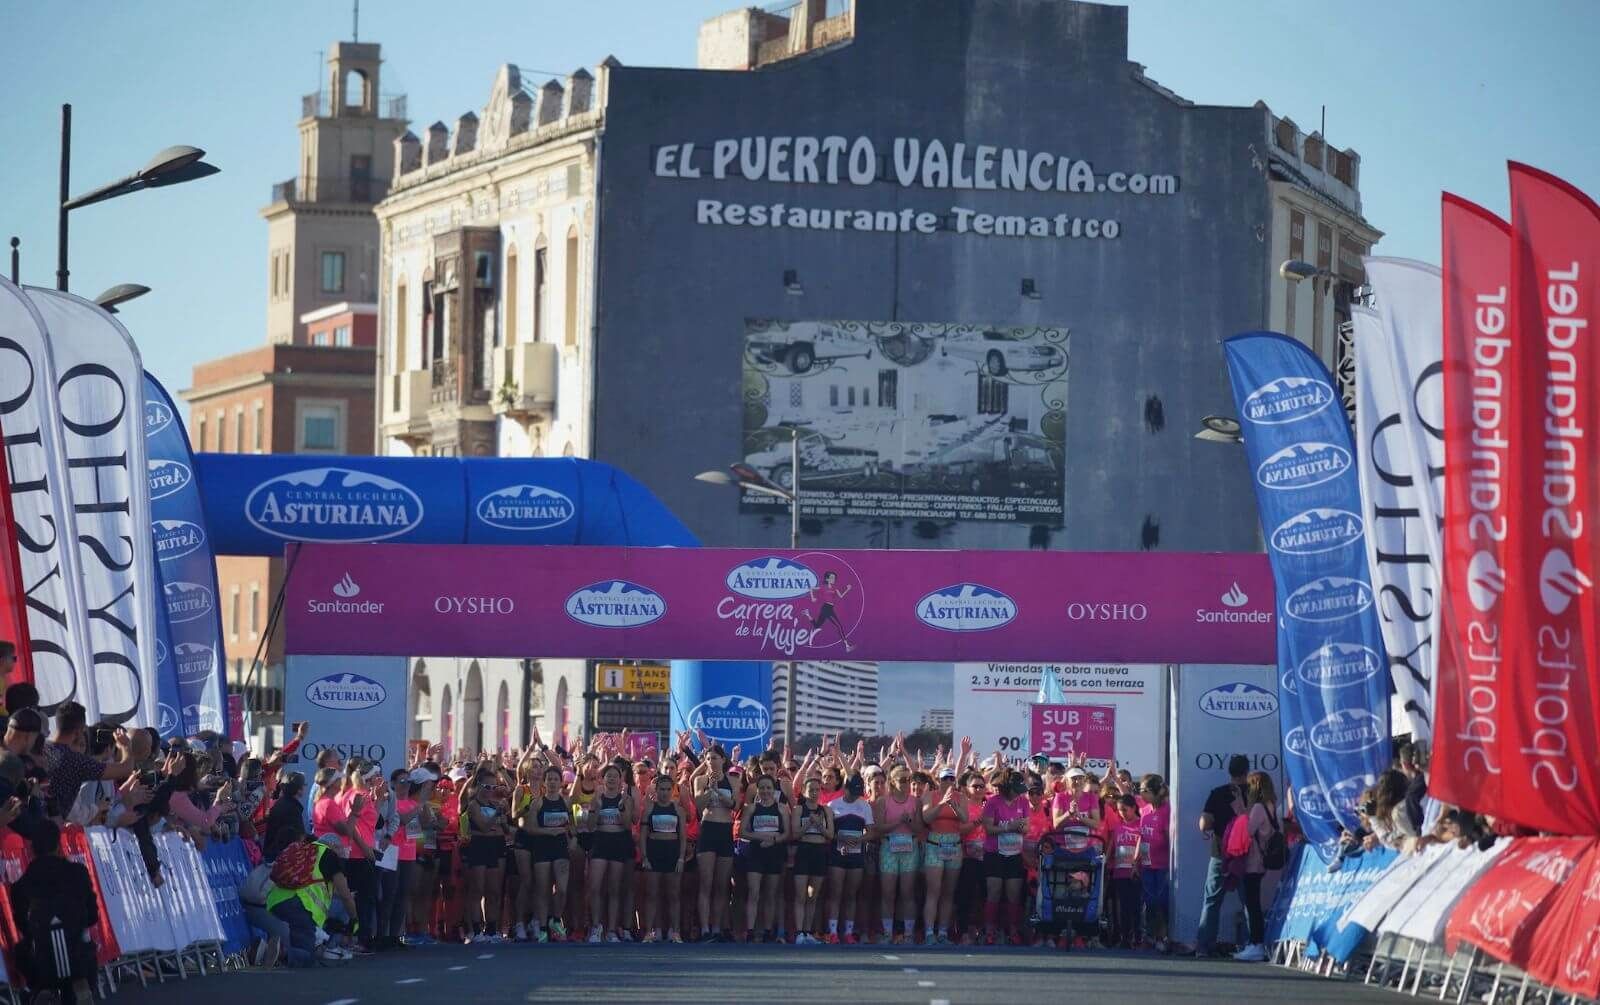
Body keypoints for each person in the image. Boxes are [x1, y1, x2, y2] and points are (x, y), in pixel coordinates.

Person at [9, 819, 97, 1003]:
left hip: (42, 962)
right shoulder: (79, 873)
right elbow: (92, 916)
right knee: (85, 941)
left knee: (21, 950)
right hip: (79, 957)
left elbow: (23, 926)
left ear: (31, 849)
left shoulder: (20, 886)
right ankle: (81, 985)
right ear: (58, 845)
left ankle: (40, 990)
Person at [266, 826, 360, 967]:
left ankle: (280, 951)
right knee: (305, 955)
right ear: (333, 846)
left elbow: (317, 883)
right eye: (340, 849)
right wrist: (354, 920)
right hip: (299, 904)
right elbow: (345, 895)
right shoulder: (328, 855)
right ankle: (283, 954)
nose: (342, 854)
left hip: (275, 901)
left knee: (300, 941)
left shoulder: (306, 850)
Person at [1192, 754, 1249, 957]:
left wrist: (1211, 824)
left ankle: (1204, 946)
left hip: (1220, 854)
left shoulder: (1218, 793)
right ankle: (1250, 945)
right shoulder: (1253, 792)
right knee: (1248, 901)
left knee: (1212, 901)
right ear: (1246, 771)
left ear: (1229, 771)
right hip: (1245, 854)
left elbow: (1204, 824)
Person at [45, 702, 137, 818]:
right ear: (79, 731)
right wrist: (126, 747)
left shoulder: (40, 747)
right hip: (52, 823)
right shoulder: (76, 761)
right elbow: (125, 769)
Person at [1232, 771, 1281, 962]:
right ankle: (1255, 943)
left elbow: (1247, 830)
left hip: (1254, 861)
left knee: (1252, 904)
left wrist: (1240, 810)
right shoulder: (1271, 805)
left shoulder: (1259, 807)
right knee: (1254, 903)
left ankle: (1256, 943)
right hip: (1262, 861)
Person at [692, 745, 738, 942]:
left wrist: (718, 792)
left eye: (715, 758)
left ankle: (717, 927)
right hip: (708, 829)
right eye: (708, 759)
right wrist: (709, 789)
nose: (711, 762)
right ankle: (704, 928)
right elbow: (698, 806)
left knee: (722, 884)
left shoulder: (733, 780)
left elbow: (734, 805)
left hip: (725, 830)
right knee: (706, 882)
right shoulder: (700, 780)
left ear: (723, 759)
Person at [461, 762, 510, 944]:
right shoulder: (474, 805)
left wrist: (503, 817)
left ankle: (491, 929)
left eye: (493, 787)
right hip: (479, 845)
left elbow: (505, 829)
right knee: (477, 889)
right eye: (487, 787)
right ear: (479, 786)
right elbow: (483, 826)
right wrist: (496, 814)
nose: (490, 791)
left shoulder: (494, 803)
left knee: (494, 891)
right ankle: (475, 930)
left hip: (494, 846)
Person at [981, 767, 1030, 945]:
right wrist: (1009, 827)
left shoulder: (1023, 802)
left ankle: (1013, 929)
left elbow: (1026, 827)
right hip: (995, 853)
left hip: (1014, 853)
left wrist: (1021, 827)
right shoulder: (993, 802)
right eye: (1015, 791)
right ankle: (989, 929)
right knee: (994, 891)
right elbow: (988, 828)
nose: (1018, 794)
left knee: (1013, 894)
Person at [920, 767, 969, 945]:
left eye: (951, 778)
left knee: (948, 892)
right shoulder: (930, 795)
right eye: (944, 778)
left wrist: (954, 806)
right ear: (939, 780)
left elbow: (965, 819)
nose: (948, 781)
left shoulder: (961, 797)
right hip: (935, 843)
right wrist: (941, 803)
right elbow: (926, 818)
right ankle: (928, 933)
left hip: (953, 844)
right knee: (934, 890)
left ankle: (942, 933)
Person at [586, 763, 634, 943]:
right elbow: (590, 826)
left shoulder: (626, 799)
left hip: (618, 843)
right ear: (603, 779)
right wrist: (597, 808)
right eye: (609, 776)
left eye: (615, 776)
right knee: (595, 886)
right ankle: (596, 927)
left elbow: (627, 825)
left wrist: (621, 808)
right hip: (600, 842)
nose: (612, 779)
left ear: (621, 780)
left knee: (614, 889)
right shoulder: (596, 798)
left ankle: (612, 930)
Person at [525, 766, 573, 943]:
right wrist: (549, 832)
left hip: (560, 848)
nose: (552, 782)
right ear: (544, 782)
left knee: (562, 889)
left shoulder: (566, 802)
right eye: (549, 779)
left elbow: (572, 826)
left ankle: (556, 919)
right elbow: (530, 828)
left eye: (555, 779)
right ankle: (543, 928)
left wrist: (573, 838)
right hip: (542, 847)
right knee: (543, 889)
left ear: (561, 782)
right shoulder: (537, 803)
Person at [825, 772, 873, 944]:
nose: (855, 796)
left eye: (857, 793)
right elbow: (828, 833)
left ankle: (848, 932)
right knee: (835, 893)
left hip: (856, 855)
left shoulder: (864, 806)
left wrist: (858, 840)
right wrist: (840, 839)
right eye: (852, 792)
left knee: (851, 894)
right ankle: (832, 932)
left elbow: (871, 832)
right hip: (837, 855)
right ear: (845, 788)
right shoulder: (832, 805)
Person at [876, 763, 922, 944]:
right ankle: (887, 933)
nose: (906, 783)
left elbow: (919, 829)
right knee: (888, 893)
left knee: (908, 893)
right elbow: (879, 828)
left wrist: (908, 822)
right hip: (889, 849)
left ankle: (908, 934)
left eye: (908, 780)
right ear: (893, 781)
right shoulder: (883, 801)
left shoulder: (915, 802)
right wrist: (897, 823)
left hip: (909, 849)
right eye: (902, 780)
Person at [739, 773, 787, 943]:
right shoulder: (751, 808)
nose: (765, 791)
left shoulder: (782, 808)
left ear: (774, 790)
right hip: (756, 853)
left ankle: (767, 930)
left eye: (768, 788)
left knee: (771, 894)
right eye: (762, 788)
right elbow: (742, 832)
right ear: (757, 790)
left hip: (774, 853)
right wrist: (762, 838)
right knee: (754, 892)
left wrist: (773, 840)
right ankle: (750, 930)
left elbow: (787, 833)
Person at [639, 772, 685, 943]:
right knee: (652, 894)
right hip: (654, 852)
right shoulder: (649, 809)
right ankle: (649, 932)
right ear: (656, 790)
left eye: (667, 789)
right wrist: (645, 857)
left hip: (672, 853)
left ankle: (676, 932)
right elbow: (643, 836)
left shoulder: (678, 810)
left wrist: (681, 858)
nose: (664, 793)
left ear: (672, 790)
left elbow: (683, 836)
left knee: (674, 895)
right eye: (661, 789)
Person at [791, 774, 833, 944]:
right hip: (804, 851)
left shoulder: (826, 810)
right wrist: (809, 823)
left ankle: (808, 931)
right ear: (804, 791)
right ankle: (799, 932)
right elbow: (795, 834)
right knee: (800, 895)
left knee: (813, 896)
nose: (814, 793)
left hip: (819, 851)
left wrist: (819, 825)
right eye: (811, 790)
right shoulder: (798, 810)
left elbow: (830, 835)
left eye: (817, 790)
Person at [1137, 774, 1173, 953]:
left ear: (1157, 792)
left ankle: (1163, 936)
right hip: (1146, 866)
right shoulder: (1144, 810)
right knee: (1149, 902)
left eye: (1145, 791)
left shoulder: (1167, 810)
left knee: (1162, 902)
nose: (1141, 794)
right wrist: (1135, 859)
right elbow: (1141, 836)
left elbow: (1169, 839)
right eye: (1140, 790)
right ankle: (1149, 937)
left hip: (1162, 866)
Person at [1107, 795, 1142, 948]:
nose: (1122, 813)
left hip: (1136, 873)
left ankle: (1138, 937)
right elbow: (1111, 847)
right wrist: (1106, 862)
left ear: (1134, 808)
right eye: (1119, 810)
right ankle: (1124, 938)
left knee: (1136, 906)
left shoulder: (1141, 824)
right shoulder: (1118, 827)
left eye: (1125, 810)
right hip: (1119, 873)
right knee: (1123, 907)